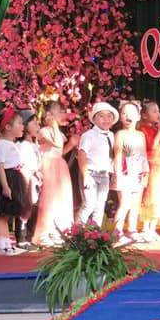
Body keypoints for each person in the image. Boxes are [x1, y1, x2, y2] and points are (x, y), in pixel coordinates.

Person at [33, 101, 77, 247]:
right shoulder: (44, 131)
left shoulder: (59, 133)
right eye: (59, 112)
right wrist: (54, 126)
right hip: (49, 165)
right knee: (49, 199)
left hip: (59, 165)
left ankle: (58, 231)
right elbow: (57, 144)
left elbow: (61, 151)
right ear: (49, 114)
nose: (62, 115)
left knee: (61, 198)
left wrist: (71, 144)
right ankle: (44, 233)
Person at [112, 102, 149, 244]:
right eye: (124, 113)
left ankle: (132, 230)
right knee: (125, 203)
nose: (128, 116)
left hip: (137, 173)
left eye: (132, 113)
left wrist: (145, 172)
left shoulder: (141, 135)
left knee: (135, 204)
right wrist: (117, 174)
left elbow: (144, 154)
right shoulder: (120, 134)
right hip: (124, 173)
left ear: (138, 116)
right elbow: (117, 155)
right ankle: (117, 232)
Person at [0, 107, 28, 256]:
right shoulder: (1, 144)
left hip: (14, 176)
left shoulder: (10, 143)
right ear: (7, 127)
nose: (22, 126)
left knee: (7, 213)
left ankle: (7, 242)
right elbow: (0, 166)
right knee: (1, 213)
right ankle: (1, 244)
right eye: (19, 123)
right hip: (7, 177)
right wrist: (5, 186)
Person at [77, 101, 118, 227]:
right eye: (101, 116)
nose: (106, 119)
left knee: (100, 205)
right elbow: (82, 155)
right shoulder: (88, 135)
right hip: (91, 173)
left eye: (109, 116)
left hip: (104, 175)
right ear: (94, 119)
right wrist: (85, 176)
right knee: (89, 204)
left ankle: (95, 232)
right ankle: (76, 230)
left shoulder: (111, 135)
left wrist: (113, 173)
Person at [138, 100, 160, 241]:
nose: (158, 114)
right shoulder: (143, 130)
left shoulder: (158, 129)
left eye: (159, 111)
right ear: (144, 115)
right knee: (150, 197)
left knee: (159, 198)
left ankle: (153, 229)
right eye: (154, 111)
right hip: (151, 168)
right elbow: (151, 147)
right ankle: (145, 229)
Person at [17, 110, 43, 249]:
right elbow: (22, 164)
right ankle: (21, 238)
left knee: (33, 207)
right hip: (27, 178)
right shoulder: (22, 145)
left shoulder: (35, 144)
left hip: (36, 179)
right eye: (34, 124)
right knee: (25, 208)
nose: (38, 127)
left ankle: (29, 236)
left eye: (38, 124)